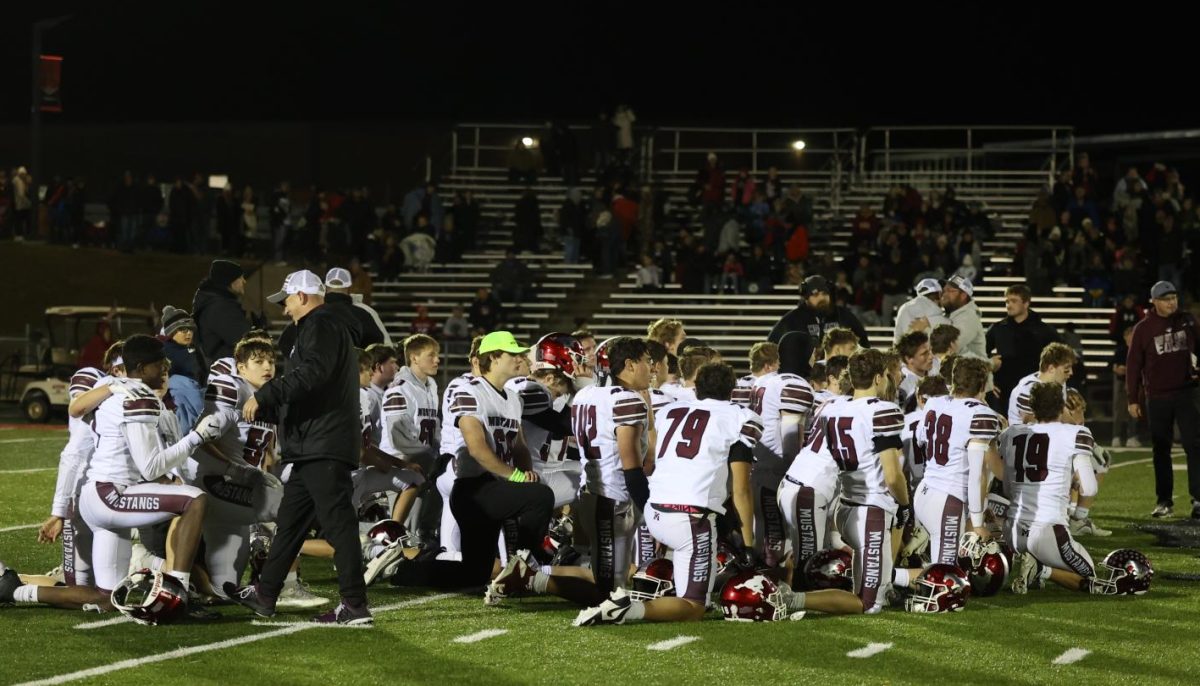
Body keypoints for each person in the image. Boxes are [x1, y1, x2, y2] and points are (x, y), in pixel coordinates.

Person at [226, 270, 371, 625]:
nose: (285, 308)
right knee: (290, 525)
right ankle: (266, 593)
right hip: (313, 443)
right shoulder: (326, 326)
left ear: (303, 297)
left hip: (323, 442)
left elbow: (311, 375)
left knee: (339, 525)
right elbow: (313, 383)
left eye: (287, 300)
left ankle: (354, 604)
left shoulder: (320, 325)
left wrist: (267, 394)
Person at [573, 362, 761, 626]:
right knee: (694, 606)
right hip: (689, 519)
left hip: (654, 511)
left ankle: (640, 601)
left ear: (696, 388)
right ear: (732, 389)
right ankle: (626, 610)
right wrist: (749, 544)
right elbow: (741, 489)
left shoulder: (671, 411)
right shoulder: (741, 417)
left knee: (716, 527)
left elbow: (654, 457)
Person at [483, 336, 648, 607]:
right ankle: (541, 569)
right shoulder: (533, 389)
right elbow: (563, 425)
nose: (581, 363)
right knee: (607, 595)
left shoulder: (584, 394)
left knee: (612, 587)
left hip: (552, 476)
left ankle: (559, 558)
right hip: (540, 474)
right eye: (576, 357)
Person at [389, 331, 555, 590]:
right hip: (473, 489)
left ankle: (402, 569)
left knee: (473, 575)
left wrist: (525, 473)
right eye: (512, 353)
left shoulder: (511, 397)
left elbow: (519, 445)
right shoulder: (467, 389)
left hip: (493, 486)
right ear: (494, 358)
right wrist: (517, 477)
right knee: (540, 496)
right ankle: (524, 562)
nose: (520, 358)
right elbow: (477, 448)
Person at [1000, 383, 1116, 595]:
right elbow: (1089, 489)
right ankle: (1041, 570)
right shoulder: (1074, 433)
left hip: (1012, 530)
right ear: (1062, 406)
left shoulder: (1011, 433)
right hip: (1048, 532)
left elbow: (1008, 488)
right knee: (1089, 575)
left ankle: (1031, 562)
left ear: (1033, 407)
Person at [915, 357, 1004, 564]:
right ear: (983, 385)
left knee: (944, 569)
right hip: (948, 499)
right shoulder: (981, 414)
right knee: (945, 575)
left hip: (925, 491)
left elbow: (921, 440)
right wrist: (978, 521)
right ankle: (894, 579)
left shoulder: (934, 403)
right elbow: (977, 474)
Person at [1126, 281, 1200, 519]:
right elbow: (1133, 365)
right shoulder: (1144, 329)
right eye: (1166, 299)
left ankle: (1198, 499)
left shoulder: (1188, 320)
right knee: (1161, 448)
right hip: (1157, 396)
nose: (1172, 303)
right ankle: (1164, 501)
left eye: (1174, 298)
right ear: (1154, 302)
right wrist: (1132, 399)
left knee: (1194, 445)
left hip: (1187, 392)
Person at [986, 284, 1061, 412]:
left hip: (1035, 394)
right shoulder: (998, 329)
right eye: (1007, 301)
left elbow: (1059, 359)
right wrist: (987, 380)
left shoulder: (1044, 331)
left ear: (1026, 303)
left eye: (1014, 301)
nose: (1009, 305)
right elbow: (979, 353)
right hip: (1003, 394)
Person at [767, 275, 868, 349]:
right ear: (806, 298)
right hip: (804, 374)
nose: (822, 298)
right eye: (815, 295)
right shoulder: (793, 319)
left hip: (839, 374)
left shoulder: (843, 315)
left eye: (825, 293)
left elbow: (863, 343)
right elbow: (771, 345)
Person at [192, 259, 252, 362]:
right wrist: (259, 330)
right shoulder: (221, 307)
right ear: (230, 281)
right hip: (226, 370)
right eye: (240, 277)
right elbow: (245, 340)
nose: (244, 281)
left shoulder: (215, 303)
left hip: (221, 367)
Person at [160, 305, 207, 430]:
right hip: (178, 402)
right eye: (183, 330)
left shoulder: (194, 349)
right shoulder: (163, 351)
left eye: (190, 329)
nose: (188, 333)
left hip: (198, 395)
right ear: (172, 331)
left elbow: (204, 374)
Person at [1007, 343, 1076, 426]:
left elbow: (1065, 417)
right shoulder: (1028, 388)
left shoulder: (1060, 384)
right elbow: (1030, 425)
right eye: (1066, 369)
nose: (1071, 373)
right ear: (1051, 368)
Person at [892, 278, 951, 345]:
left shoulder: (905, 306)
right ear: (939, 294)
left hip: (900, 351)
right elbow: (951, 327)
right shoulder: (932, 309)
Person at [941, 275, 986, 360]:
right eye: (944, 290)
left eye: (950, 291)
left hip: (971, 372)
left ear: (963, 295)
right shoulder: (952, 315)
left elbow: (947, 348)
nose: (944, 294)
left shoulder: (968, 318)